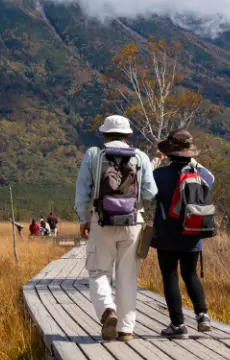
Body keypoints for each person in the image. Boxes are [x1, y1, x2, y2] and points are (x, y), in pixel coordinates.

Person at [74, 115, 157, 342]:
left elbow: (82, 191)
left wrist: (83, 219)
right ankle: (126, 329)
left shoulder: (94, 155)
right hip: (133, 222)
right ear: (128, 135)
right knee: (127, 277)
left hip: (101, 221)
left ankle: (107, 310)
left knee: (98, 271)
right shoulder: (140, 157)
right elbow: (150, 193)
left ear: (104, 134)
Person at [152, 129, 215, 339]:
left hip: (166, 235)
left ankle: (178, 325)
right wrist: (195, 164)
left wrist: (156, 161)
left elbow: (147, 190)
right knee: (190, 274)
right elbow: (212, 179)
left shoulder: (159, 175)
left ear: (169, 153)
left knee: (170, 277)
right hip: (192, 233)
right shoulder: (202, 175)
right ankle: (202, 315)